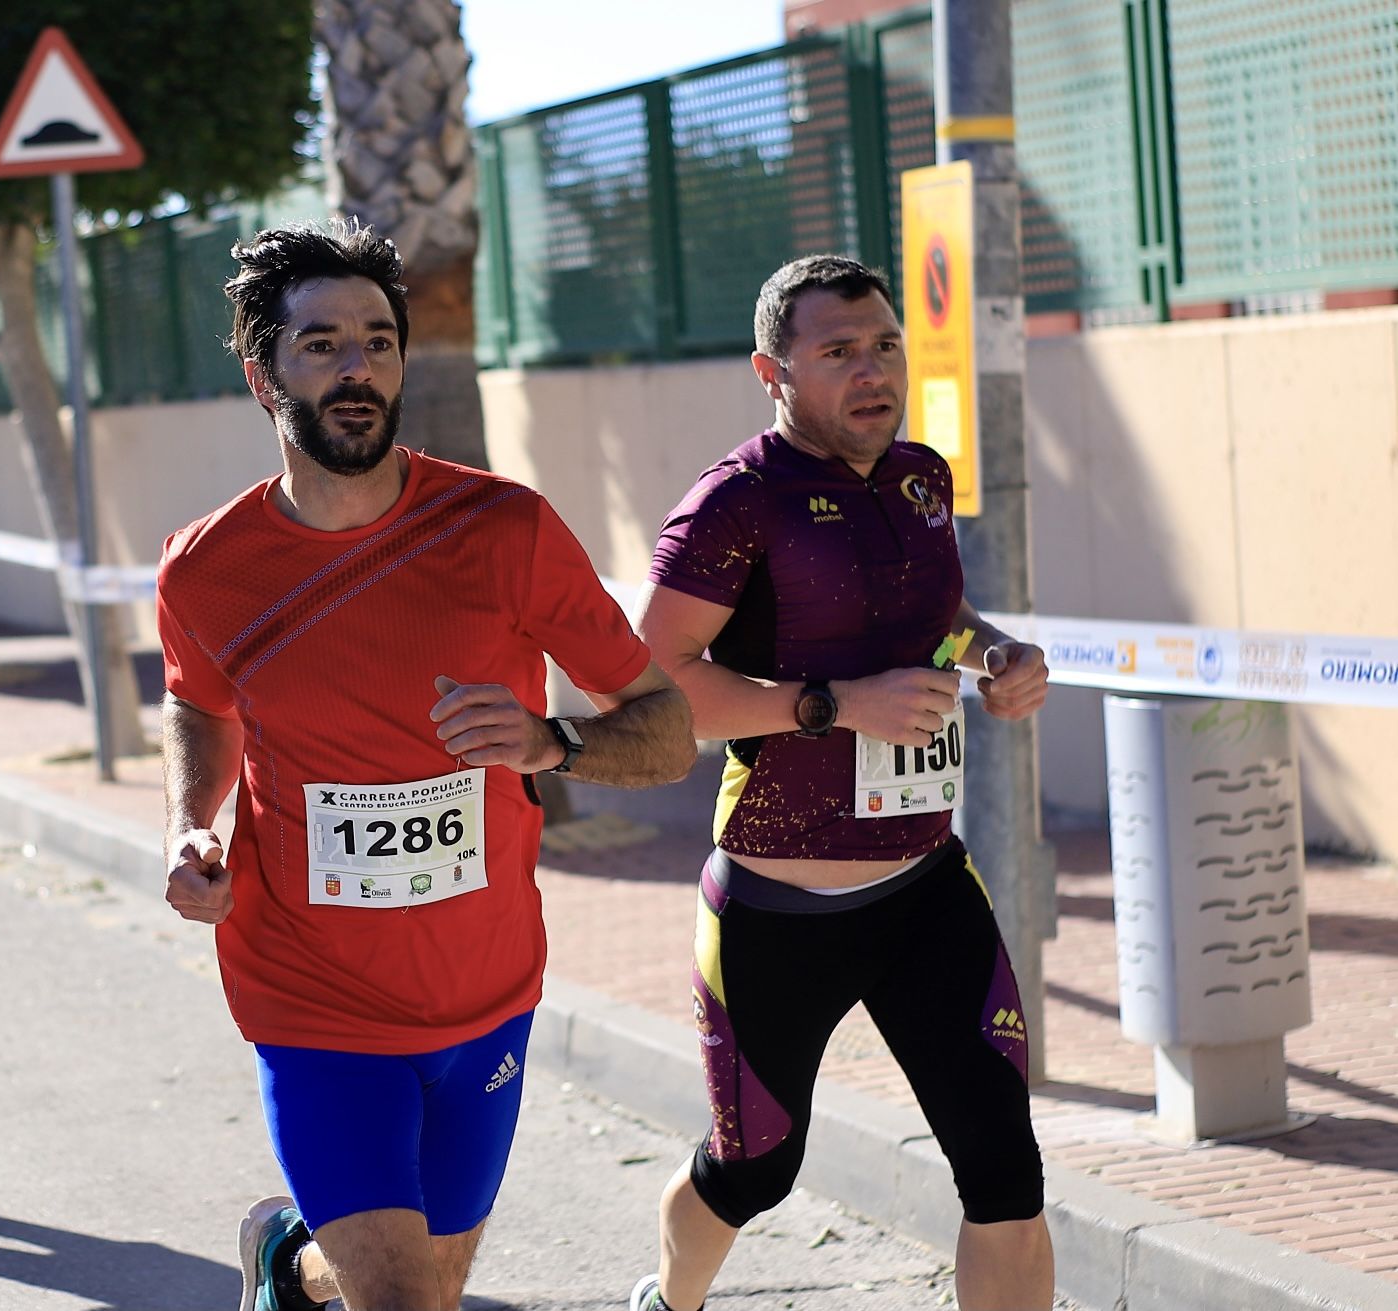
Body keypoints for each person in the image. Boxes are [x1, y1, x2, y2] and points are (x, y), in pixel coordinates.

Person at [156, 221, 696, 1311]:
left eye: (378, 340)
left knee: (430, 1283)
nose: (356, 366)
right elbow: (199, 705)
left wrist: (553, 744)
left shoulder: (505, 531)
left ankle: (284, 1269)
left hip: (482, 989)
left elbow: (668, 729)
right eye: (321, 344)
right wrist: (189, 824)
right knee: (403, 1301)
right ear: (264, 376)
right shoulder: (209, 568)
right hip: (308, 993)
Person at [627, 255, 1056, 1311]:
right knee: (754, 1169)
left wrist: (994, 655)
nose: (872, 373)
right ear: (771, 371)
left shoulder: (920, 475)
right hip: (777, 909)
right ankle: (666, 1302)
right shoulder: (734, 502)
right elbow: (651, 689)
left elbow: (932, 627)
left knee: (1005, 1170)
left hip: (924, 890)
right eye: (837, 354)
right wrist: (830, 706)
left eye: (884, 347)